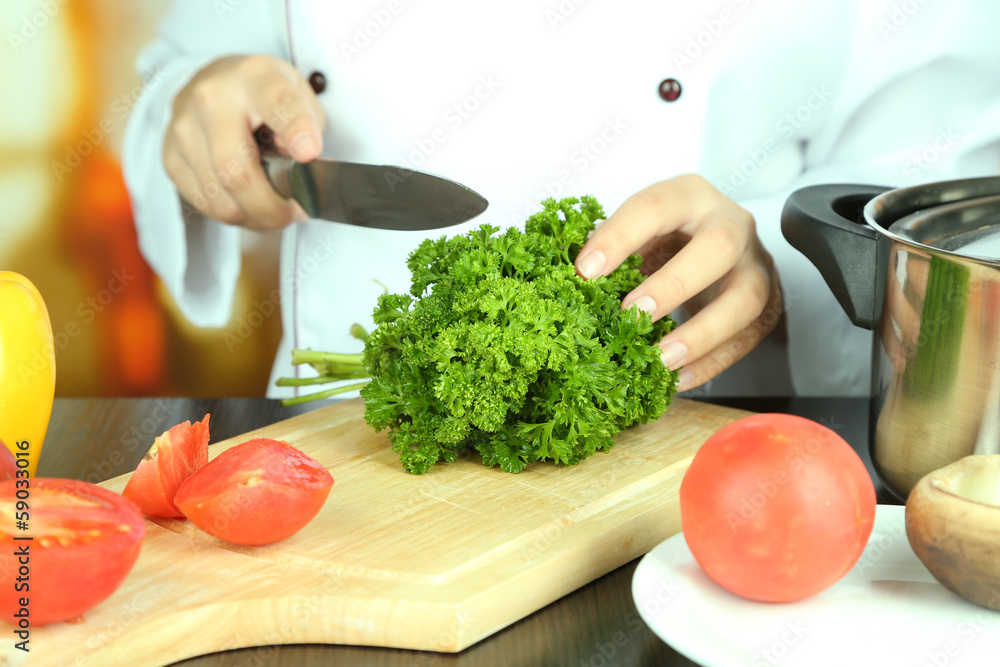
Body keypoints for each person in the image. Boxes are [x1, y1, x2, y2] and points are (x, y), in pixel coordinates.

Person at [123, 1, 1000, 400]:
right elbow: (187, 65)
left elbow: (940, 197)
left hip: (719, 444)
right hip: (347, 438)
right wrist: (190, 106)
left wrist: (783, 272)